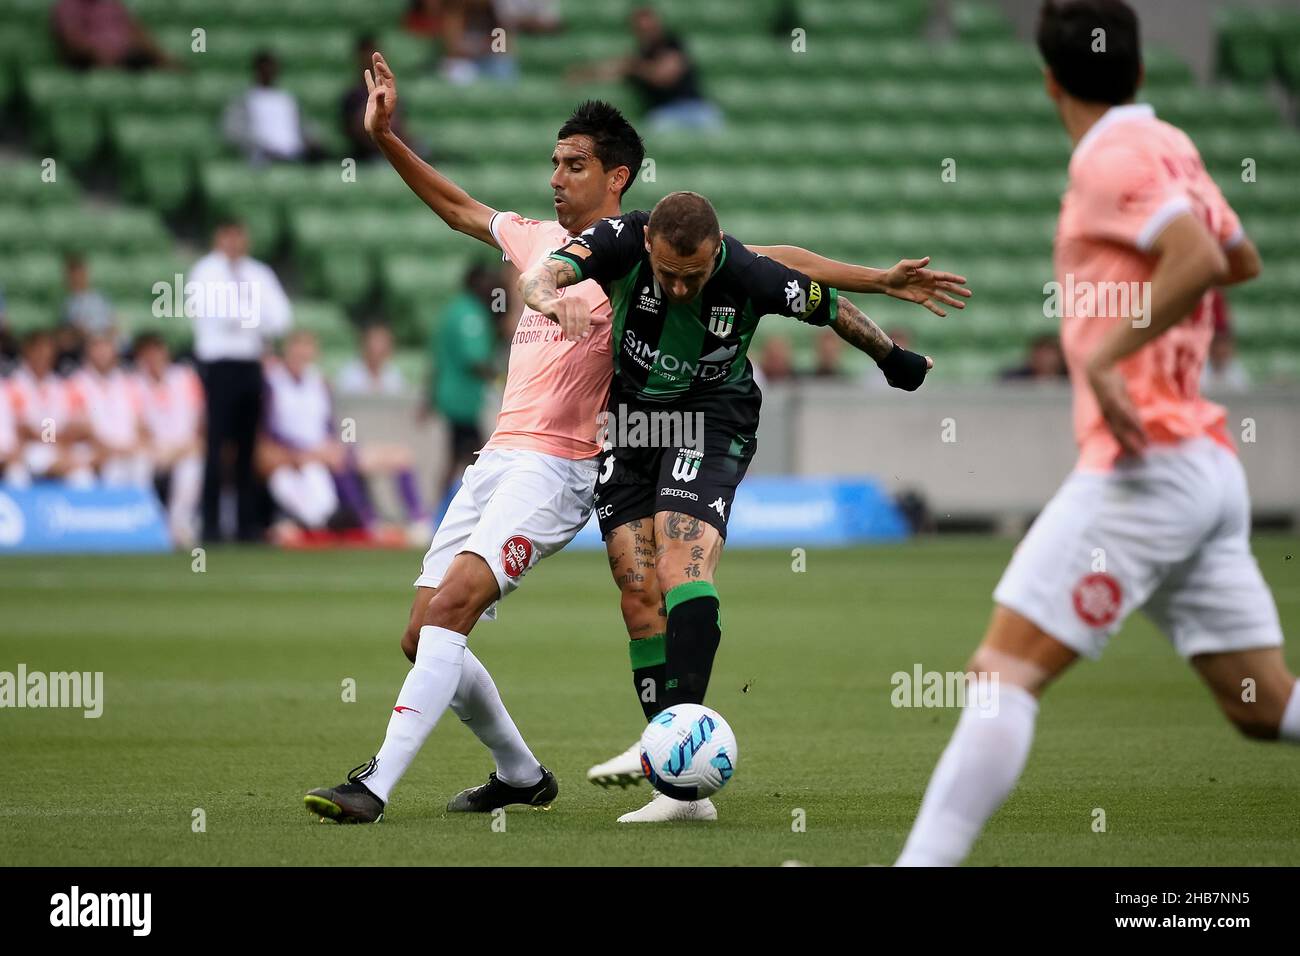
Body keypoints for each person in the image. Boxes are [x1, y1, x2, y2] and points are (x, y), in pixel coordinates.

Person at [303, 52, 967, 825]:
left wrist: (879, 289)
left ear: (616, 176)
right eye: (552, 163)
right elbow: (459, 210)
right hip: (498, 458)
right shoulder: (535, 241)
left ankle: (377, 785)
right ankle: (520, 773)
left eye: (573, 165)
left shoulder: (655, 247)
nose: (556, 178)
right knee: (425, 635)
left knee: (464, 610)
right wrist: (385, 137)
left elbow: (777, 265)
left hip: (562, 464)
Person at [894, 0, 1294, 868]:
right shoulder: (1171, 143)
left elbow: (1197, 258)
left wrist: (1111, 354)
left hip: (1143, 466)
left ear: (1048, 81)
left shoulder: (1111, 154)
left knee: (1002, 676)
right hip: (1204, 468)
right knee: (1263, 706)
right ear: (1140, 70)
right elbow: (1240, 258)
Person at [520, 190, 938, 822]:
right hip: (631, 426)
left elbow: (830, 308)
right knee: (637, 592)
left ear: (716, 250)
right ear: (649, 250)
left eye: (693, 275)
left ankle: (677, 771)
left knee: (679, 558)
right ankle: (677, 778)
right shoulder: (622, 241)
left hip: (710, 422)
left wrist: (893, 358)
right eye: (667, 275)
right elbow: (544, 270)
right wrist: (548, 295)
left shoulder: (748, 273)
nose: (681, 289)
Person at [189, 217, 292, 543]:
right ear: (219, 238)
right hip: (218, 367)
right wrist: (252, 315)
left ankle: (248, 526)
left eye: (239, 236)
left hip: (250, 364)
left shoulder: (259, 273)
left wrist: (248, 316)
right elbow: (216, 314)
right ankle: (211, 524)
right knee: (216, 445)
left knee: (249, 446)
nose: (234, 243)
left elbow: (281, 318)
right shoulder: (205, 272)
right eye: (228, 236)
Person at [570, 7, 722, 132]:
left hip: (693, 106)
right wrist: (584, 75)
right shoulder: (639, 56)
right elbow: (612, 72)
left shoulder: (671, 43)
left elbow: (666, 75)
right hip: (663, 112)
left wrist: (633, 66)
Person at [428, 262, 501, 505]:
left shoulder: (454, 309)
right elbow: (475, 360)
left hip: (455, 396)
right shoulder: (470, 314)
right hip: (462, 399)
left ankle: (440, 511)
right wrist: (503, 378)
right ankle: (449, 511)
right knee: (476, 459)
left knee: (461, 457)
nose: (492, 287)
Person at [133, 333, 205, 548]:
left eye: (157, 352)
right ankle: (146, 525)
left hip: (184, 446)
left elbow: (199, 419)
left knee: (192, 469)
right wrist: (154, 448)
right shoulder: (134, 383)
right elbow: (138, 425)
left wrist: (186, 447)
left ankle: (177, 526)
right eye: (148, 354)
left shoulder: (185, 378)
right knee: (139, 468)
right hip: (152, 448)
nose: (154, 358)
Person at [4, 330, 96, 488]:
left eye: (48, 351)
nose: (43, 356)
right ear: (28, 352)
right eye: (38, 350)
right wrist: (55, 439)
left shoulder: (61, 386)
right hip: (29, 449)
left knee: (82, 476)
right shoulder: (14, 385)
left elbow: (79, 426)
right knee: (17, 474)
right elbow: (23, 430)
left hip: (57, 446)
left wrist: (59, 441)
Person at [71, 331, 150, 487]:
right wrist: (107, 448)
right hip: (95, 450)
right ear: (88, 350)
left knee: (143, 462)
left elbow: (140, 423)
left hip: (127, 449)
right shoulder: (75, 384)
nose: (102, 352)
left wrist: (135, 444)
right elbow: (76, 428)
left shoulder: (129, 383)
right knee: (109, 470)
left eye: (106, 346)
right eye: (97, 346)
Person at [224, 50, 324, 164]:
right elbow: (233, 132)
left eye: (272, 68)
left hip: (295, 153)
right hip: (263, 154)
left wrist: (312, 142)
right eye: (265, 69)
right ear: (256, 70)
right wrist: (256, 146)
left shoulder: (287, 99)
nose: (269, 72)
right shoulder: (243, 100)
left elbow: (306, 127)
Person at [52, 0, 173, 70]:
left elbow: (136, 30)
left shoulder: (111, 4)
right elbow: (72, 40)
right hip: (92, 62)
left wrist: (160, 57)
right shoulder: (68, 5)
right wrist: (105, 56)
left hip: (127, 58)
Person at [335, 323, 407, 397]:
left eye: (384, 343)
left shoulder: (394, 374)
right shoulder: (349, 375)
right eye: (376, 342)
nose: (379, 348)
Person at [60, 254, 115, 338]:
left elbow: (111, 327)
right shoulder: (67, 303)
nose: (77, 279)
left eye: (79, 274)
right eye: (73, 276)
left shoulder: (100, 299)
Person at [999, 332, 1067, 381]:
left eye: (1050, 354)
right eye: (1041, 354)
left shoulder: (1071, 378)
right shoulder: (1014, 379)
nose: (1045, 359)